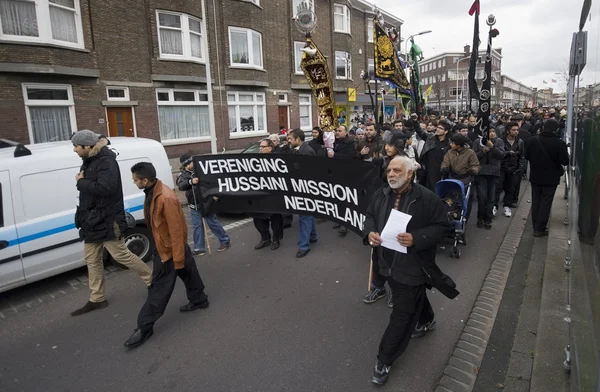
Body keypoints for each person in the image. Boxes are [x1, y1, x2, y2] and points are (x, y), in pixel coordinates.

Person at [364, 156, 458, 385]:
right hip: (386, 261)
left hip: (413, 263)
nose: (391, 174)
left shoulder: (426, 198)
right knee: (414, 296)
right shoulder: (381, 194)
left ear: (409, 174)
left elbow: (444, 226)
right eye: (389, 170)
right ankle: (427, 320)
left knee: (402, 312)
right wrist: (370, 233)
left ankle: (384, 359)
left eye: (397, 170)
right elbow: (369, 217)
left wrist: (417, 237)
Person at [125, 162, 209, 348]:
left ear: (145, 180)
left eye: (135, 180)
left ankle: (144, 327)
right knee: (189, 272)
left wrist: (176, 258)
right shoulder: (153, 191)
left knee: (158, 289)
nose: (134, 183)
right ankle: (200, 300)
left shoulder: (165, 197)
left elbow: (177, 231)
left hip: (169, 251)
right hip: (167, 246)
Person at [71, 130, 152, 316]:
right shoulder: (89, 160)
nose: (74, 150)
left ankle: (152, 281)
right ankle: (97, 298)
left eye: (76, 146)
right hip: (90, 222)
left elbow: (106, 188)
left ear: (88, 146)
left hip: (107, 219)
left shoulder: (107, 162)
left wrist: (81, 183)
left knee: (121, 255)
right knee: (91, 260)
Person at [176, 154, 231, 255]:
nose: (190, 165)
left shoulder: (202, 169)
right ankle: (199, 248)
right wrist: (190, 181)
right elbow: (180, 186)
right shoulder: (182, 175)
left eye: (191, 162)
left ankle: (225, 240)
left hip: (206, 202)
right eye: (188, 164)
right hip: (194, 204)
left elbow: (212, 181)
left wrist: (214, 195)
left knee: (213, 223)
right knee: (197, 226)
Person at [525, 119, 569, 236]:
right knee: (546, 202)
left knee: (536, 201)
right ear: (556, 129)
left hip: (535, 176)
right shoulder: (559, 143)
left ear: (543, 127)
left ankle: (536, 225)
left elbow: (527, 156)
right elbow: (565, 161)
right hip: (551, 178)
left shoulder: (531, 140)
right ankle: (540, 229)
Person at [287, 128, 318, 257]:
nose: (288, 141)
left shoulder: (307, 152)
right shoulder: (300, 150)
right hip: (301, 188)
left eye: (290, 138)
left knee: (304, 216)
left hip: (305, 189)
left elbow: (308, 172)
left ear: (297, 139)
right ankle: (313, 236)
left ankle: (304, 246)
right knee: (307, 214)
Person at [252, 139, 284, 250]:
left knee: (275, 217)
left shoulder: (277, 160)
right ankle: (265, 238)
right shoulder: (255, 160)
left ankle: (276, 239)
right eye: (259, 146)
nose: (260, 148)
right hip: (259, 194)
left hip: (273, 194)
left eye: (262, 146)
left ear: (270, 148)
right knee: (258, 217)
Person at [440, 134, 480, 223]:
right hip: (452, 178)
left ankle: (464, 218)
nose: (450, 144)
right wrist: (444, 168)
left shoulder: (470, 153)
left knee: (464, 200)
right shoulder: (450, 152)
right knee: (450, 197)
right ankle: (450, 214)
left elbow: (475, 165)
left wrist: (473, 170)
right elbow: (445, 162)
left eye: (452, 143)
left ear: (458, 145)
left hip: (465, 178)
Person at [472, 128, 505, 229]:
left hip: (494, 173)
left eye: (493, 131)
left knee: (491, 198)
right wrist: (483, 151)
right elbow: (473, 156)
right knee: (482, 197)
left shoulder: (499, 142)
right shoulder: (478, 142)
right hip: (481, 172)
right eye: (489, 132)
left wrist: (493, 147)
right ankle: (480, 217)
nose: (491, 133)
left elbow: (501, 155)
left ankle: (488, 218)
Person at [494, 122, 525, 218]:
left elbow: (522, 156)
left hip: (514, 169)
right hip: (501, 168)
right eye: (513, 130)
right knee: (498, 188)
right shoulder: (501, 141)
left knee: (511, 189)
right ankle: (494, 206)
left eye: (517, 130)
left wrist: (520, 168)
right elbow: (498, 154)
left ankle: (507, 206)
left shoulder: (520, 142)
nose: (516, 132)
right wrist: (508, 153)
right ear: (508, 131)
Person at [414, 121, 451, 191]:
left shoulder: (448, 144)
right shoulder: (430, 138)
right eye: (437, 127)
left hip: (440, 171)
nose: (437, 129)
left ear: (446, 132)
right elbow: (420, 131)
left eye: (441, 128)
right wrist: (415, 121)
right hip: (428, 169)